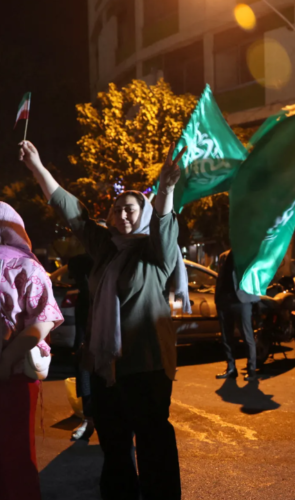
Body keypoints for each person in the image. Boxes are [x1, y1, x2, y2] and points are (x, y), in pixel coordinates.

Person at [20, 139, 189, 500]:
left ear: (143, 214)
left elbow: (164, 224)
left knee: (154, 445)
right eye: (117, 210)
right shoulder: (106, 249)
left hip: (145, 366)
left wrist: (166, 188)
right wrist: (37, 166)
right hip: (105, 369)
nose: (123, 215)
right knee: (114, 447)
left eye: (131, 210)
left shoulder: (155, 253)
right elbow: (74, 213)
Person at [0, 202, 64, 500]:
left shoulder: (24, 266)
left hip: (12, 377)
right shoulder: (29, 266)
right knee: (15, 456)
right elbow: (44, 320)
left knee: (13, 455)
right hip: (12, 374)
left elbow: (43, 321)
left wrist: (6, 360)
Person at [215, 250, 259, 381]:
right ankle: (231, 368)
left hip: (242, 300)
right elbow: (221, 277)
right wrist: (218, 298)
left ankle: (251, 369)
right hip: (224, 300)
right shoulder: (223, 256)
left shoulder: (248, 253)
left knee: (247, 335)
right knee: (226, 337)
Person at [69, 252, 96, 440]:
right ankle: (89, 419)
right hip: (87, 341)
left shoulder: (98, 291)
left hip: (104, 340)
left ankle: (92, 420)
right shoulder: (83, 294)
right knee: (84, 373)